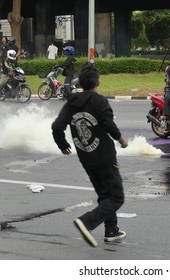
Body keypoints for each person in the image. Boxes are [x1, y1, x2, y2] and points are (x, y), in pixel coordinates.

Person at [51, 62, 128, 247]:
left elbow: (56, 127)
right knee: (117, 197)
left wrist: (63, 145)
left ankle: (112, 230)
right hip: (104, 156)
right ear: (98, 83)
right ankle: (87, 222)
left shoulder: (71, 103)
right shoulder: (100, 101)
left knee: (105, 194)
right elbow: (108, 124)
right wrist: (121, 138)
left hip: (86, 157)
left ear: (81, 83)